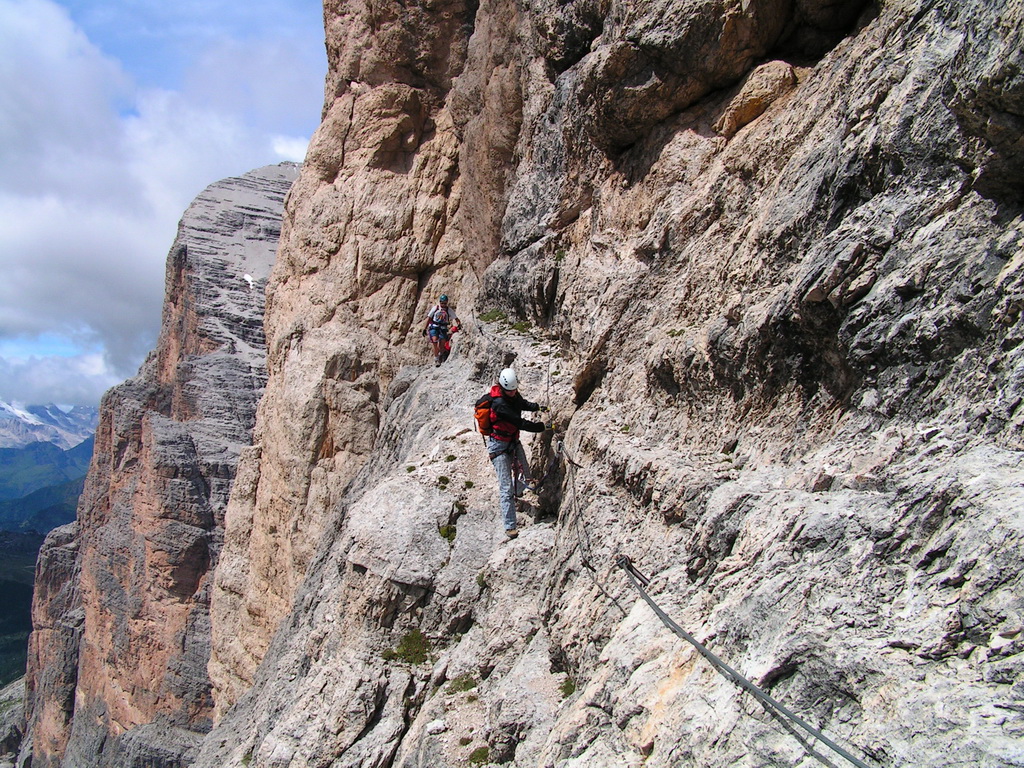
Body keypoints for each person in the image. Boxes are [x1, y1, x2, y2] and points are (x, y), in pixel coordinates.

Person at [487, 368, 548, 539]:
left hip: (512, 441)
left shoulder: (512, 395)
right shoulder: (499, 404)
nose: (513, 393)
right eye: (510, 390)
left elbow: (522, 404)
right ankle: (510, 527)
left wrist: (539, 408)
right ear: (503, 388)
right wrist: (543, 427)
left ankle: (518, 490)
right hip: (498, 447)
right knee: (505, 488)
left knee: (527, 475)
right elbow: (519, 422)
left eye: (514, 389)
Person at [423, 294, 458, 366]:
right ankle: (436, 359)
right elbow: (429, 318)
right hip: (434, 327)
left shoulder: (449, 310)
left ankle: (441, 354)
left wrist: (459, 324)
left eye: (445, 303)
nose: (443, 304)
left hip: (443, 328)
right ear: (440, 302)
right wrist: (424, 328)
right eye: (442, 303)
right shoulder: (435, 308)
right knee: (435, 341)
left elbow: (456, 318)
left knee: (442, 344)